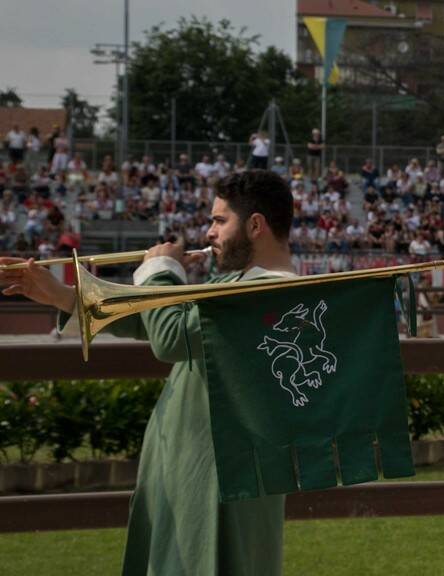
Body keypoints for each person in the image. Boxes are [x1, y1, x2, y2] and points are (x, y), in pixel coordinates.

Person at [1, 170, 296, 575]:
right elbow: (154, 323)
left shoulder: (264, 290)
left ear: (255, 225)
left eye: (218, 220)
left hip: (219, 483)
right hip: (194, 474)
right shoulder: (238, 284)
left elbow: (171, 337)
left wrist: (161, 272)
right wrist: (64, 297)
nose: (208, 232)